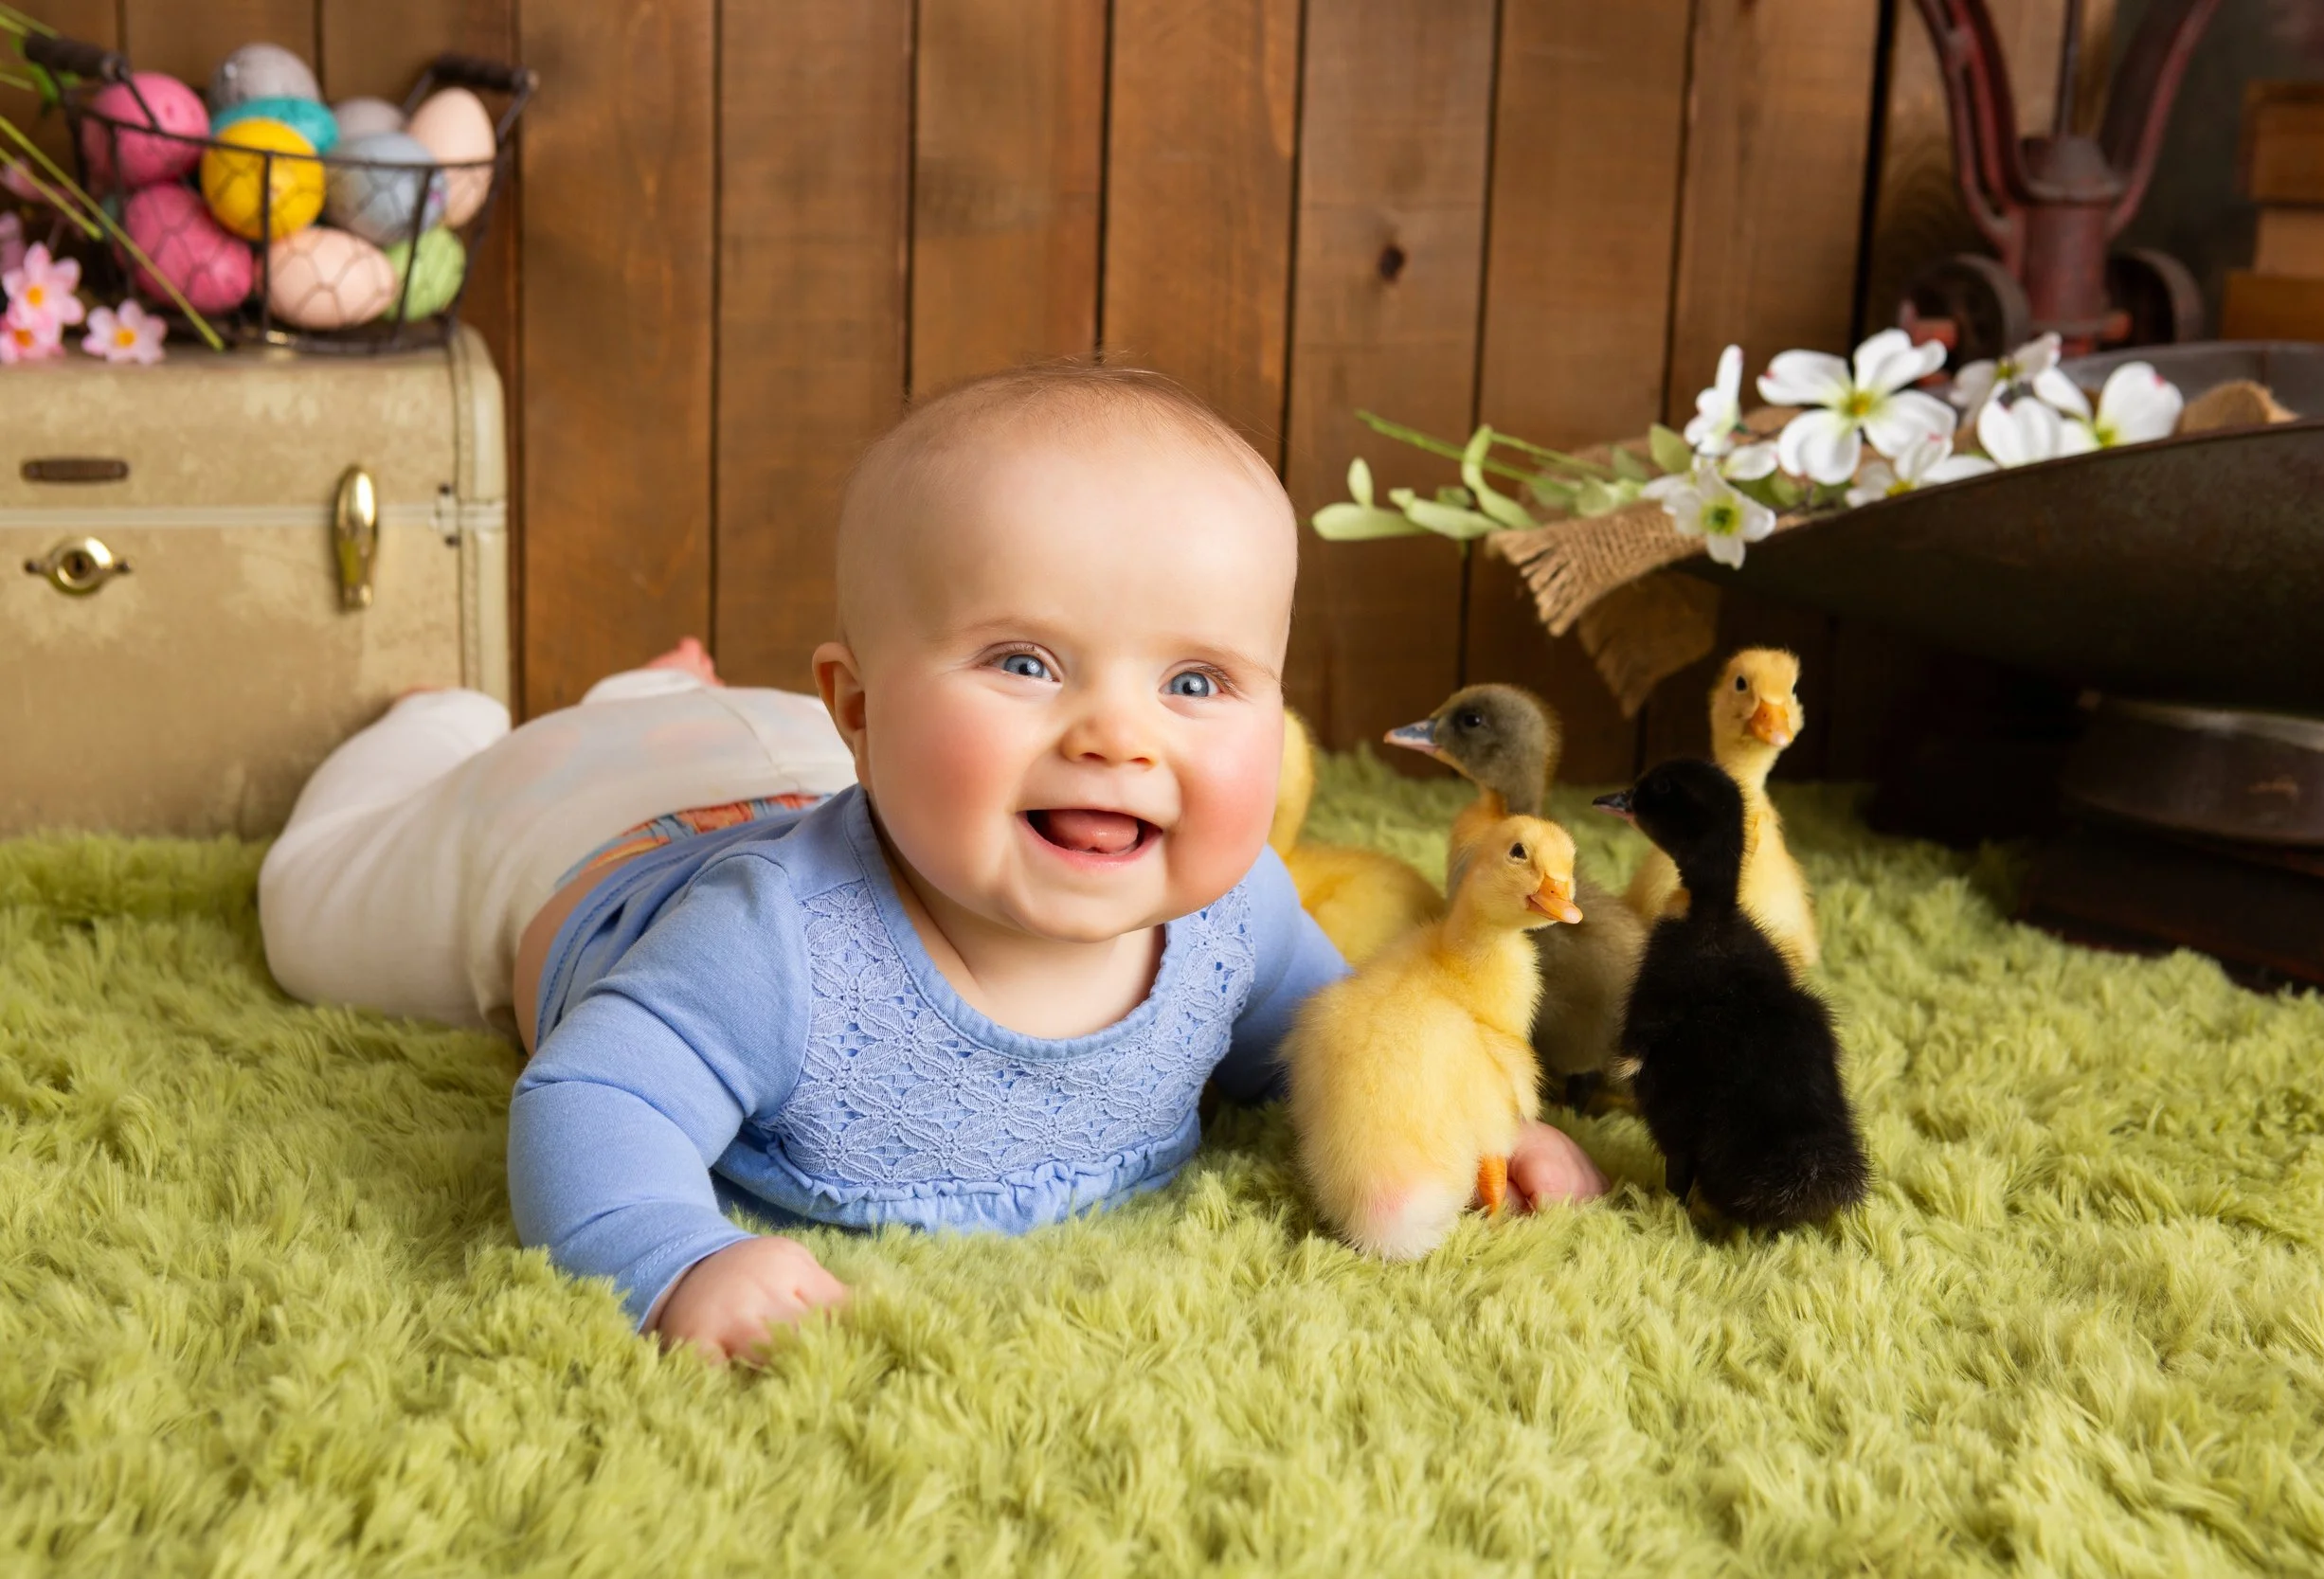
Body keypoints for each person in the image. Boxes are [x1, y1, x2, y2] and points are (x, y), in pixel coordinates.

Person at [259, 364, 1607, 1363]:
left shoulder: (1234, 913)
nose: (1118, 736)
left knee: (737, 734)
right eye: (1025, 661)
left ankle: (657, 689)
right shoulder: (776, 947)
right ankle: (435, 722)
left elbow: (1339, 1044)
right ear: (863, 705)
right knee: (309, 912)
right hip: (570, 834)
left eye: (1197, 678)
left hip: (789, 757)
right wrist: (676, 1258)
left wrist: (1472, 1128)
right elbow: (588, 1093)